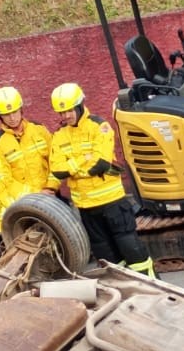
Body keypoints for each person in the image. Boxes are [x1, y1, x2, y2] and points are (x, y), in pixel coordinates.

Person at [48, 82, 156, 278]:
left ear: (79, 105)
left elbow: (101, 163)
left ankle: (154, 284)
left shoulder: (100, 126)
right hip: (86, 207)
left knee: (131, 249)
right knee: (107, 259)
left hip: (112, 202)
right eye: (61, 112)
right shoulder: (59, 135)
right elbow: (57, 170)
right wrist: (83, 162)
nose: (65, 116)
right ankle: (123, 291)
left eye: (69, 110)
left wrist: (72, 166)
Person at [0, 85, 52, 199]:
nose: (12, 118)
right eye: (6, 115)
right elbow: (4, 179)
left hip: (51, 194)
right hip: (24, 201)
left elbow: (55, 159)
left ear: (21, 109)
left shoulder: (38, 129)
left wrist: (51, 187)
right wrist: (35, 193)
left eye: (15, 112)